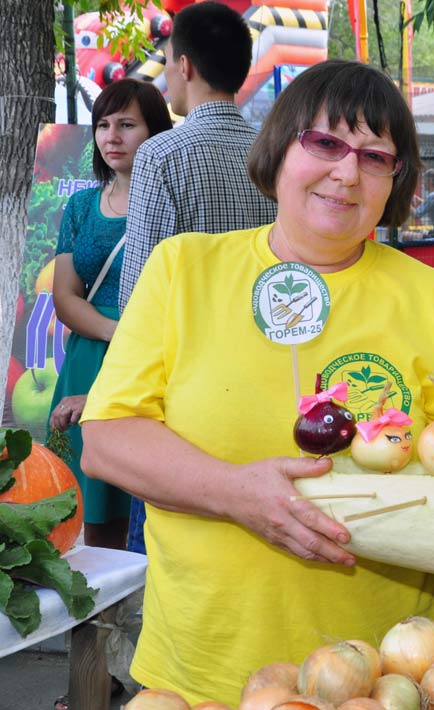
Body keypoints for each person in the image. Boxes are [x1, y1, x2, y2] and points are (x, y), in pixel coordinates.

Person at [80, 59, 434, 706]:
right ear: (277, 150)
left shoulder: (433, 298)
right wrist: (239, 494)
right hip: (199, 668)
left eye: (375, 156)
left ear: (398, 181)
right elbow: (108, 441)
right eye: (325, 143)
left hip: (382, 676)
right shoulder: (185, 269)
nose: (346, 172)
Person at [118, 1, 278, 554]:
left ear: (184, 66)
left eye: (165, 62)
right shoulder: (273, 153)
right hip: (271, 370)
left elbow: (140, 289)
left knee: (170, 544)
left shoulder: (162, 154)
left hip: (183, 382)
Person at [47, 79, 173, 550]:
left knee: (142, 498)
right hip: (88, 356)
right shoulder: (81, 205)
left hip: (152, 362)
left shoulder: (165, 199)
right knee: (85, 509)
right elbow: (65, 295)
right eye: (103, 125)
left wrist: (137, 342)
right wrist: (123, 333)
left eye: (127, 124)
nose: (111, 137)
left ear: (156, 131)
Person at [410, 167, 434, 239]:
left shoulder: (432, 196)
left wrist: (406, 202)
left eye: (424, 180)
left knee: (405, 235)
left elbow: (416, 215)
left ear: (430, 181)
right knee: (422, 232)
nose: (423, 183)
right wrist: (421, 201)